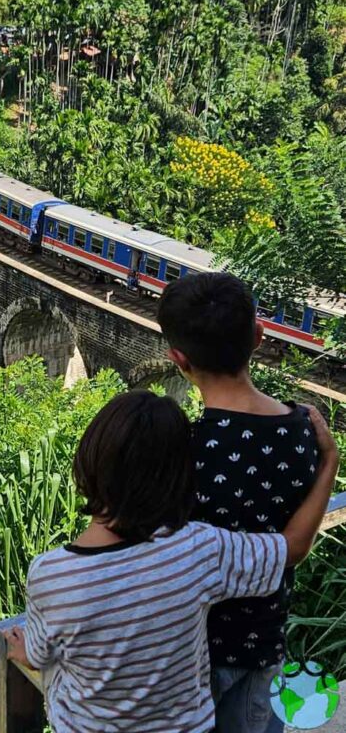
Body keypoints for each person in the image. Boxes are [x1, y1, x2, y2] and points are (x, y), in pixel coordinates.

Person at [4, 390, 338, 733]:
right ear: (179, 479)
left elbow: (38, 655)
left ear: (87, 462)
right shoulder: (197, 548)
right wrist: (329, 463)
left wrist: (20, 650)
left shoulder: (52, 575)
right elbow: (293, 547)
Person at [157, 272, 323, 733]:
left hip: (189, 652)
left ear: (178, 359)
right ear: (259, 336)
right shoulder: (304, 430)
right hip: (263, 644)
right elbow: (295, 545)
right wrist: (329, 465)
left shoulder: (186, 448)